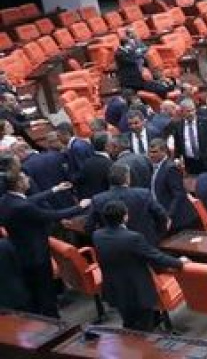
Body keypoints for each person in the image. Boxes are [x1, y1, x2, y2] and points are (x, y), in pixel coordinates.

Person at [0, 171, 88, 317]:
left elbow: (31, 200)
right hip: (36, 256)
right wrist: (80, 207)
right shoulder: (22, 207)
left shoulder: (6, 200)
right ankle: (53, 321)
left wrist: (55, 189)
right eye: (25, 178)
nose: (28, 179)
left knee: (36, 292)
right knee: (45, 292)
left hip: (21, 252)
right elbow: (52, 215)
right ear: (19, 184)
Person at [92, 200, 186, 331]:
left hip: (115, 288)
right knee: (145, 328)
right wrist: (180, 263)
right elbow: (156, 257)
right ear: (125, 216)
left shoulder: (97, 235)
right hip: (137, 290)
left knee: (128, 324)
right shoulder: (132, 237)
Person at [84, 164, 168, 245]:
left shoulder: (98, 199)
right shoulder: (144, 194)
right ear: (127, 178)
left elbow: (89, 227)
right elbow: (161, 215)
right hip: (144, 244)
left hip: (113, 247)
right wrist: (157, 236)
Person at [148, 139, 197, 232]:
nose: (151, 155)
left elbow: (179, 194)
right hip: (167, 217)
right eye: (150, 152)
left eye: (154, 152)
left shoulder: (170, 168)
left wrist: (169, 215)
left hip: (179, 219)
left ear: (164, 151)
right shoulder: (154, 167)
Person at [171, 98, 207, 174]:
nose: (191, 113)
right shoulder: (178, 126)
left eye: (193, 110)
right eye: (188, 111)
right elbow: (178, 144)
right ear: (182, 112)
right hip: (190, 163)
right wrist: (177, 158)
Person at [76, 131, 114, 199]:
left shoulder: (86, 162)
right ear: (106, 146)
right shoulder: (110, 164)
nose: (114, 145)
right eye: (112, 143)